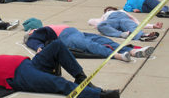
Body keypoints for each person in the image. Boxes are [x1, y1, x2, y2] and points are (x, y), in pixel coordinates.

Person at [0, 40, 121, 98]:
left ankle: (81, 78)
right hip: (20, 75)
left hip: (29, 63)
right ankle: (99, 95)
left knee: (57, 45)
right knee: (59, 84)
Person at [24, 25, 155, 62]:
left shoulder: (43, 28)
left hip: (75, 32)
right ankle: (118, 55)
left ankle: (133, 51)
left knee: (105, 41)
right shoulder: (35, 34)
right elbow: (33, 41)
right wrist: (39, 47)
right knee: (90, 46)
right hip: (66, 36)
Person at [88, 6, 162, 41]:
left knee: (132, 25)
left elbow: (136, 22)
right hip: (112, 21)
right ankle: (122, 34)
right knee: (101, 26)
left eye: (110, 9)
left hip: (124, 19)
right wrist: (99, 22)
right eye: (107, 10)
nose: (108, 10)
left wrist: (153, 26)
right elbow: (91, 21)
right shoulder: (105, 16)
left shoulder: (122, 11)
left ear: (114, 9)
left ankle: (143, 36)